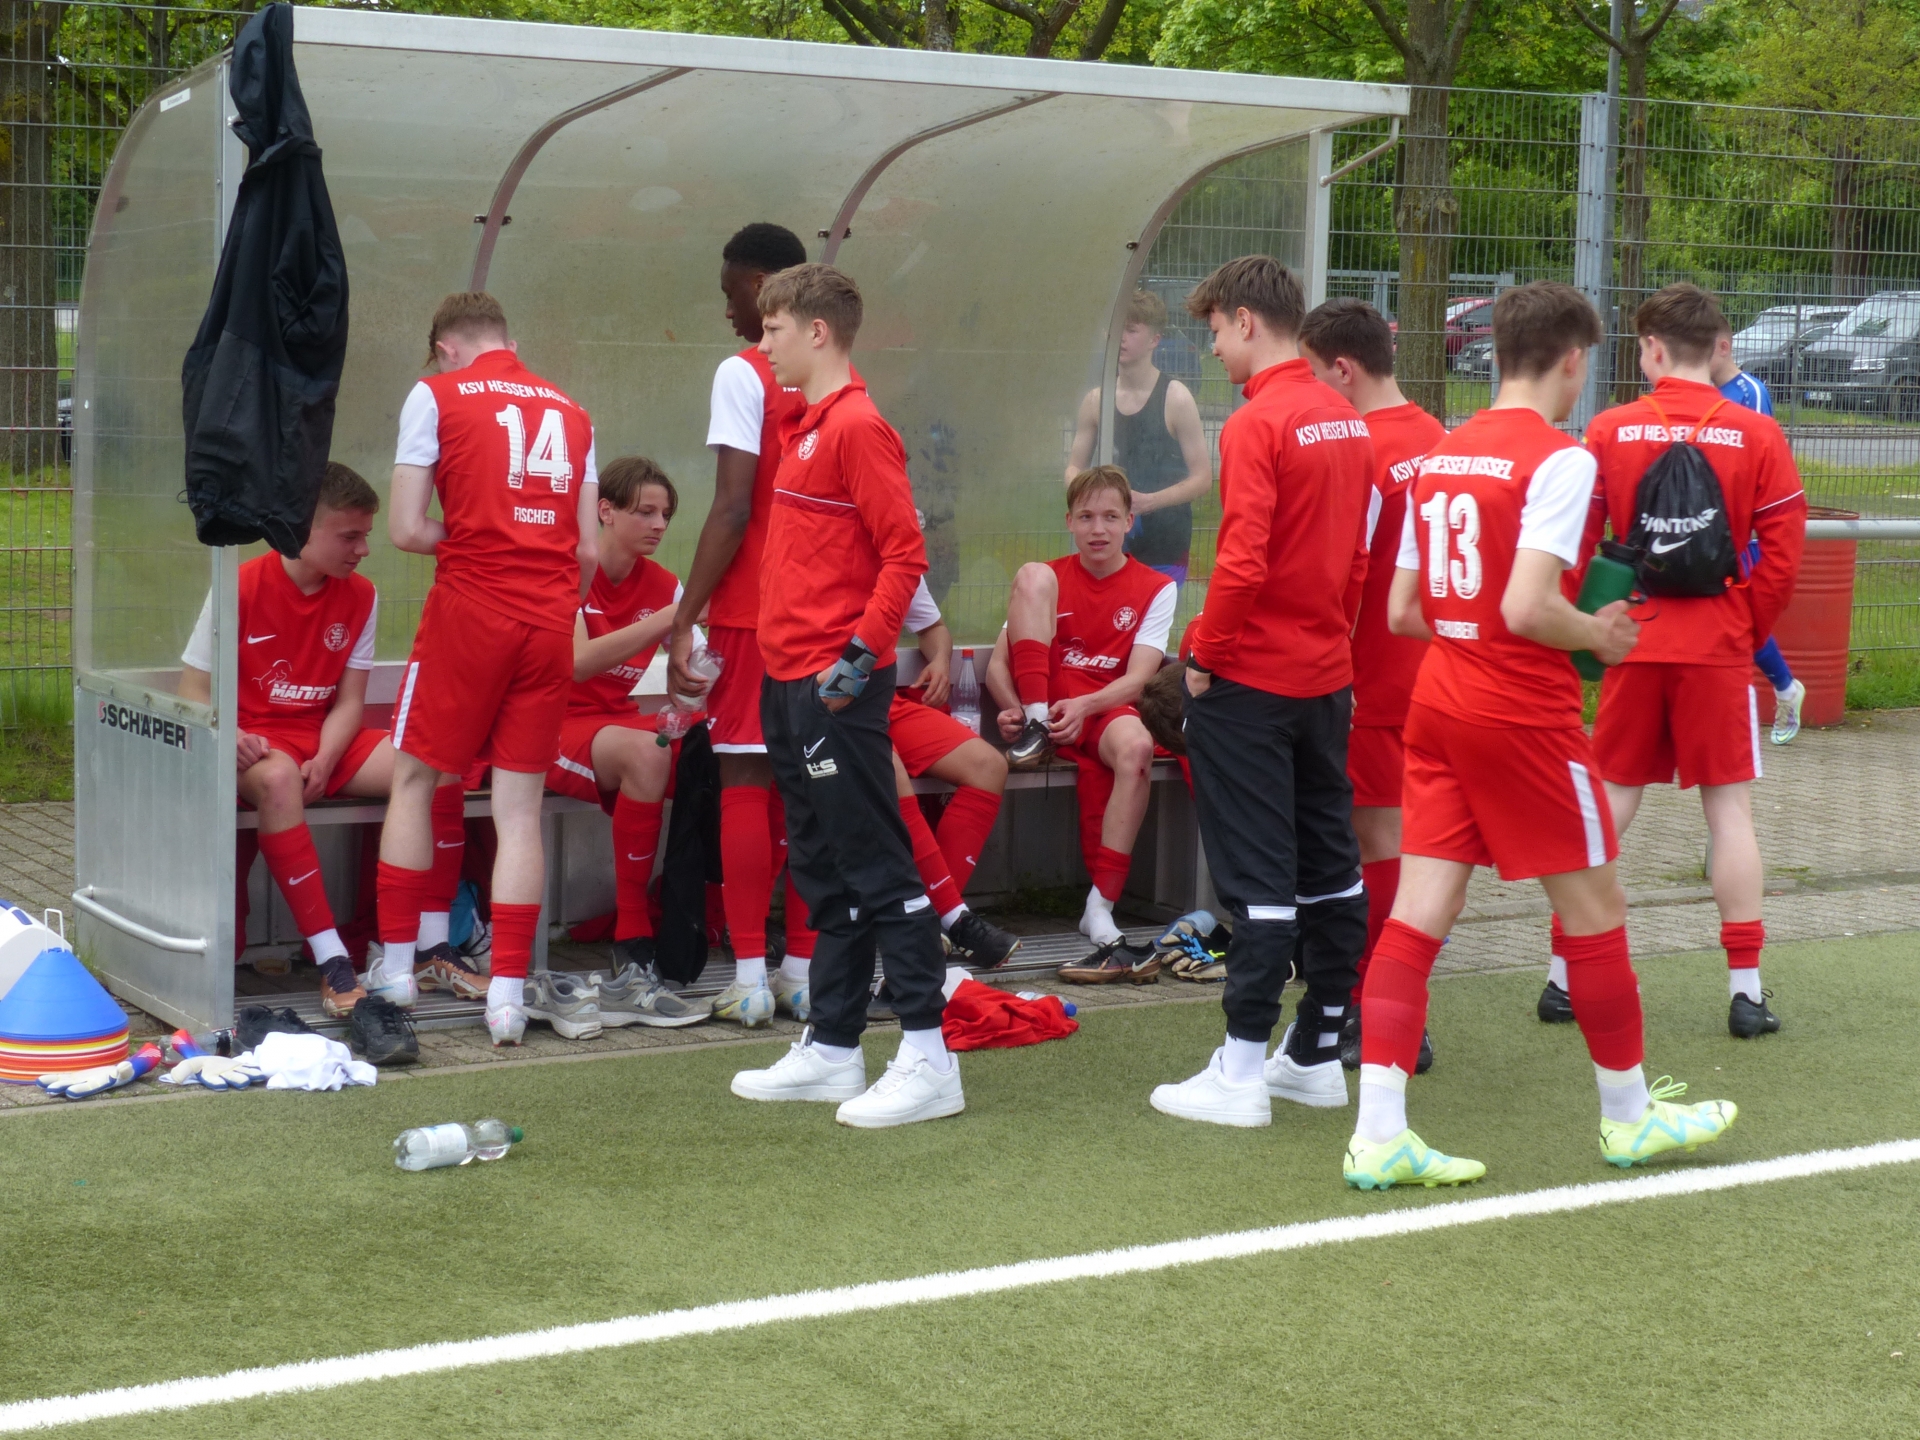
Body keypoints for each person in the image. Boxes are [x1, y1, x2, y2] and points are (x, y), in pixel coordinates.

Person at [1346, 280, 1736, 1190]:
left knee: (1417, 913)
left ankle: (1380, 1132)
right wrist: (1595, 632)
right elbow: (1527, 606)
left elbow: (1404, 611)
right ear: (1572, 359)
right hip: (1521, 715)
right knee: (1596, 910)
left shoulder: (1441, 453)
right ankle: (1629, 1118)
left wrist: (1479, 627)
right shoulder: (1560, 459)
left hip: (1438, 704)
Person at [726, 262, 960, 1129]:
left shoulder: (859, 426)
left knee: (879, 868)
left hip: (836, 685)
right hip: (788, 681)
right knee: (825, 870)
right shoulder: (805, 423)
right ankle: (832, 1048)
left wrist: (858, 660)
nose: (762, 344)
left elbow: (905, 555)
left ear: (816, 332)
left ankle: (930, 1058)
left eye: (773, 329)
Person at [1148, 257, 1373, 1129]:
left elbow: (1241, 562)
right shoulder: (1345, 417)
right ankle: (1314, 1052)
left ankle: (1241, 1069)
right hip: (1324, 678)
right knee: (1330, 869)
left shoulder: (1255, 423)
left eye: (1214, 332)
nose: (1214, 351)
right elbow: (1356, 560)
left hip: (1253, 681)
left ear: (1245, 320)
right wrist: (1333, 640)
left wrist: (1203, 655)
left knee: (1257, 880)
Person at [1566, 282, 1806, 1040]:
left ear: (1654, 349)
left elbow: (1581, 542)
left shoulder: (1609, 428)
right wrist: (1743, 624)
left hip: (1631, 638)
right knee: (1728, 810)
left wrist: (1590, 626)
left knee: (1611, 799)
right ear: (1716, 348)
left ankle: (1565, 974)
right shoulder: (1757, 433)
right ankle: (1746, 992)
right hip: (1716, 647)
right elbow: (1784, 553)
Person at [381, 292, 600, 1047]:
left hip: (470, 611)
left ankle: (398, 972)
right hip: (549, 623)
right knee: (519, 809)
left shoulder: (436, 394)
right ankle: (506, 997)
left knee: (415, 779)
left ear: (446, 346)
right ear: (508, 338)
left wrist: (476, 536)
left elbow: (405, 528)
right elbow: (588, 549)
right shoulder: (574, 411)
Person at [666, 222, 817, 1029]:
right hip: (825, 614)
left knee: (746, 783)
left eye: (732, 292)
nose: (728, 311)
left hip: (754, 613)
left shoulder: (744, 370)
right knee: (812, 791)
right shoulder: (839, 376)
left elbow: (731, 507)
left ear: (761, 286)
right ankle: (805, 972)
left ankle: (753, 976)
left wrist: (683, 616)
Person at [179, 462, 395, 1017]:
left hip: (322, 739)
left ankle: (412, 947)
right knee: (277, 779)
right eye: (350, 536)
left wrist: (325, 757)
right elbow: (193, 687)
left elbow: (349, 701)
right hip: (258, 745)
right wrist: (231, 734)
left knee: (424, 765)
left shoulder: (363, 595)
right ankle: (332, 958)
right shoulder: (239, 584)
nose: (363, 549)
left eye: (366, 535)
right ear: (302, 527)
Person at [1298, 297, 1447, 1068]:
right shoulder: (1437, 438)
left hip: (1371, 678)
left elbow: (1343, 575)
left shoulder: (1362, 449)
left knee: (1375, 843)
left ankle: (1378, 1007)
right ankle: (1387, 1002)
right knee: (1409, 843)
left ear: (1343, 370)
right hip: (1434, 671)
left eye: (1312, 375)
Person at [985, 466, 1176, 979]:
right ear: (1069, 521)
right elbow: (998, 665)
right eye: (1087, 517)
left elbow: (1139, 680)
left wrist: (1086, 707)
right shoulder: (1045, 579)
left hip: (1103, 705)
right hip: (1047, 705)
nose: (1098, 529)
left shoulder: (1157, 586)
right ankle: (1036, 730)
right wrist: (1015, 708)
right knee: (1030, 572)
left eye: (1111, 517)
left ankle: (1100, 906)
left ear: (1129, 522)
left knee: (1137, 748)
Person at [542, 456, 709, 1028]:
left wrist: (692, 680)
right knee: (646, 752)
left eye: (666, 514)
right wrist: (672, 617)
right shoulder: (568, 568)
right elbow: (577, 664)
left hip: (615, 723)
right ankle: (633, 937)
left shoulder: (664, 585)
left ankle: (722, 925)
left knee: (730, 753)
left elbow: (695, 664)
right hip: (548, 728)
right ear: (605, 512)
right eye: (645, 512)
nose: (659, 525)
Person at [890, 578, 1019, 967]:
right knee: (885, 766)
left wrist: (940, 661)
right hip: (822, 703)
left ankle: (935, 919)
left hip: (881, 700)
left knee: (988, 765)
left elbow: (933, 628)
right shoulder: (808, 555)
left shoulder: (897, 561)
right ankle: (947, 919)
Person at [1066, 289, 1212, 582]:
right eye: (1117, 328)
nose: (1121, 338)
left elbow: (1203, 479)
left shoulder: (1176, 399)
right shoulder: (1096, 400)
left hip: (1165, 547)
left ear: (1154, 340)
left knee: (1152, 612)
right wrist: (1093, 500)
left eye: (1131, 330)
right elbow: (1073, 468)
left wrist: (1150, 502)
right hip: (1107, 546)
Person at [1710, 321, 1807, 744]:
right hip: (1709, 528)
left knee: (1739, 616)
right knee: (1729, 615)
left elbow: (1759, 459)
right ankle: (1784, 688)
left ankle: (1778, 691)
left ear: (1723, 347)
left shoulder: (1749, 391)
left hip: (1742, 531)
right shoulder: (1702, 391)